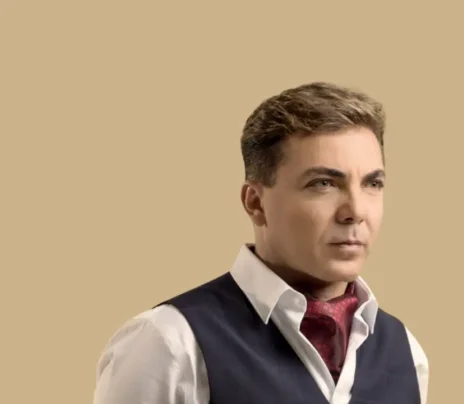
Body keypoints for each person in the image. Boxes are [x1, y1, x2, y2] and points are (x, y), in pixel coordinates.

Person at [93, 82, 429, 404]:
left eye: (373, 184)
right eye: (323, 183)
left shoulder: (407, 354)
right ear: (255, 203)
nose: (355, 211)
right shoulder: (170, 343)